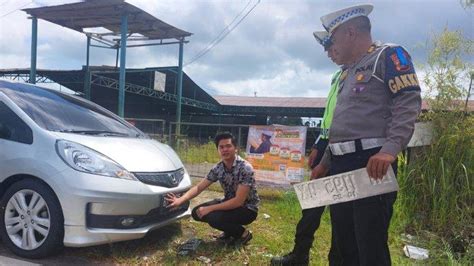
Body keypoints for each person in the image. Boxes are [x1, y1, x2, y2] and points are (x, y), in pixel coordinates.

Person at [312, 4, 422, 265]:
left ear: (350, 33)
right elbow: (343, 126)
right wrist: (325, 163)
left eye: (333, 38)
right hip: (340, 164)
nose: (331, 45)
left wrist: (390, 150)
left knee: (369, 245)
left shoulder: (389, 56)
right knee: (342, 242)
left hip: (371, 163)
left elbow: (407, 103)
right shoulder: (347, 72)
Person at [270, 31, 344, 266]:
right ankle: (299, 255)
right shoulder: (337, 76)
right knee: (311, 207)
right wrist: (318, 145)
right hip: (326, 146)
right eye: (328, 51)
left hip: (346, 151)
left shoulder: (361, 72)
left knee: (342, 215)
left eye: (332, 49)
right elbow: (329, 117)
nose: (330, 55)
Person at [165, 132, 260, 246]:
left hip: (247, 209)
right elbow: (199, 187)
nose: (225, 149)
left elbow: (238, 201)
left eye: (228, 146)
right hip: (229, 202)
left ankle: (244, 234)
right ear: (218, 150)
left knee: (213, 217)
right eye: (221, 147)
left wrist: (210, 208)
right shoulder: (218, 168)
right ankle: (230, 231)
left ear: (236, 148)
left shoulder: (245, 168)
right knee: (197, 212)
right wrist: (180, 200)